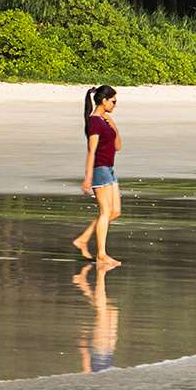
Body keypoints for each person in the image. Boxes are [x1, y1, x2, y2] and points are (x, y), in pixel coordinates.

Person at [69, 84, 123, 267]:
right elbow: (91, 151)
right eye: (113, 101)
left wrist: (114, 126)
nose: (115, 105)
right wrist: (87, 177)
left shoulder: (105, 120)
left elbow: (118, 147)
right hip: (100, 170)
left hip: (110, 169)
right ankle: (101, 255)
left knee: (115, 212)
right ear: (104, 100)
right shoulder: (94, 122)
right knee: (105, 212)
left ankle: (83, 239)